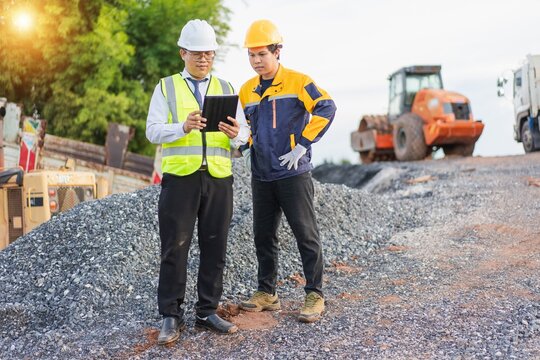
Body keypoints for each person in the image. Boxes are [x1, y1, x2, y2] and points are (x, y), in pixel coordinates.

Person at [146, 19, 249, 345]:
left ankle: (207, 311)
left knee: (215, 246)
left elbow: (244, 135)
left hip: (219, 179)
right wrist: (183, 127)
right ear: (183, 53)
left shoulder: (226, 88)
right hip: (180, 179)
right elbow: (152, 131)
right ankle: (170, 316)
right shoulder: (166, 87)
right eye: (196, 53)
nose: (203, 59)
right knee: (174, 248)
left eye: (208, 53)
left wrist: (236, 136)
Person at [238, 20, 337, 323]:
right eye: (252, 56)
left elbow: (326, 107)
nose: (257, 61)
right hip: (261, 175)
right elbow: (249, 131)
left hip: (293, 173)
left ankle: (315, 294)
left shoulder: (298, 81)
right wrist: (240, 142)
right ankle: (267, 292)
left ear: (277, 51)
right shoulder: (247, 91)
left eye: (262, 54)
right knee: (263, 236)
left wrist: (303, 144)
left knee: (305, 234)